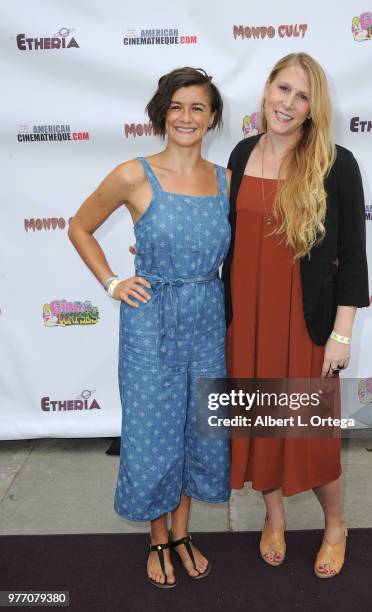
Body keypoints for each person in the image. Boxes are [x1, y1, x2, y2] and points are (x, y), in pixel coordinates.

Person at [68, 67, 231, 588]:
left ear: (212, 118)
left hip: (207, 314)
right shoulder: (133, 175)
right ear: (162, 112)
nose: (186, 117)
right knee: (152, 431)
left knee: (198, 428)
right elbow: (80, 226)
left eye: (198, 108)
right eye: (177, 106)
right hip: (150, 319)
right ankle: (157, 536)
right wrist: (113, 281)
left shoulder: (227, 179)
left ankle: (183, 533)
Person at [221, 52, 369, 578]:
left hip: (304, 322)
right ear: (265, 90)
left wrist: (341, 334)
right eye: (282, 89)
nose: (288, 103)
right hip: (246, 321)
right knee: (262, 427)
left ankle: (335, 524)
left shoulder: (335, 162)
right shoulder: (240, 154)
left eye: (301, 96)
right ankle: (275, 518)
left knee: (311, 435)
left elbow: (352, 257)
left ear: (313, 108)